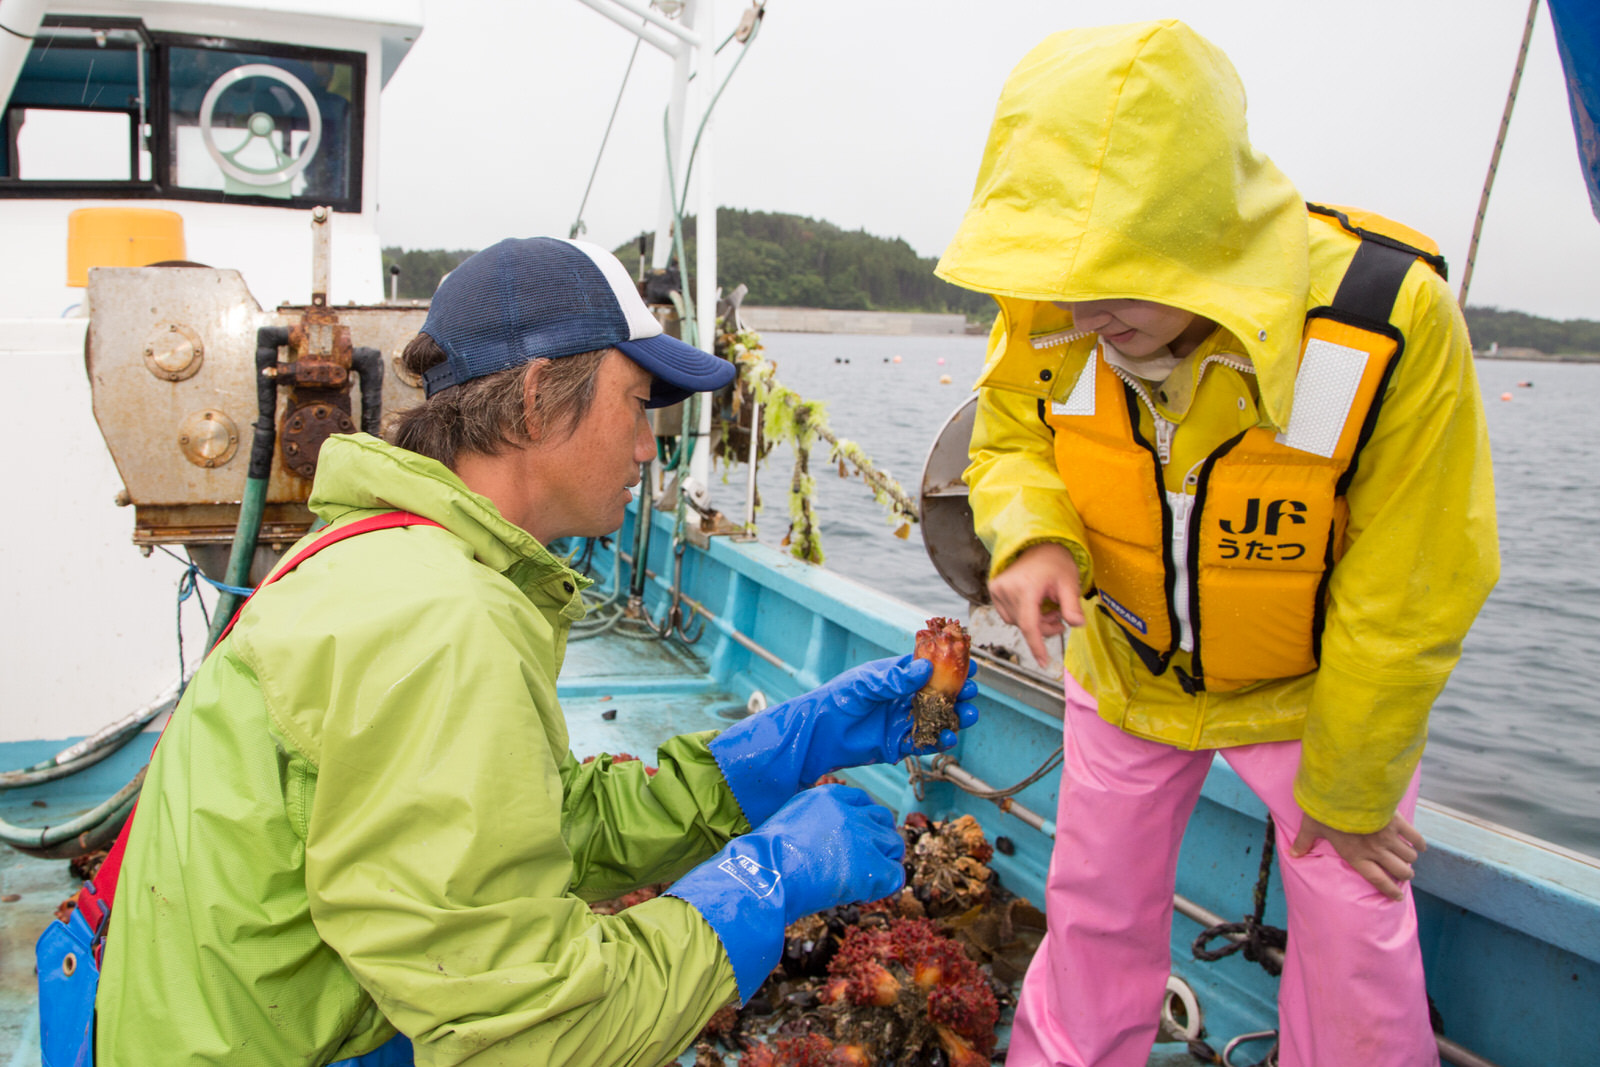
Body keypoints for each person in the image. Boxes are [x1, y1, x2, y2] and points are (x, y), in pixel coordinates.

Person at [87, 236, 978, 1066]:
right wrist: (762, 884)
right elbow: (530, 1030)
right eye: (637, 406)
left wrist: (780, 753)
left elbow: (526, 826)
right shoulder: (438, 621)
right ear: (531, 398)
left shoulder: (393, 558)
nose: (646, 449)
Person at [935, 22, 1497, 1067]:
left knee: (1353, 922)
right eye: (1065, 270)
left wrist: (1354, 783)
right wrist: (1030, 538)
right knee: (1093, 904)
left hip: (1316, 693)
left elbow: (1415, 576)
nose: (1084, 305)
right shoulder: (1050, 298)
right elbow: (1009, 436)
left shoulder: (1384, 318)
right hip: (1124, 665)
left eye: (1118, 270)